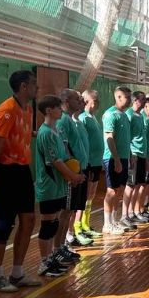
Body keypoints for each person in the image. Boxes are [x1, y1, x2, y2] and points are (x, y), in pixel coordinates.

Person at [0, 70, 40, 291]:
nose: (37, 87)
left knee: (28, 219)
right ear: (23, 86)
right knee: (4, 223)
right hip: (6, 172)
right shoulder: (6, 110)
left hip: (22, 171)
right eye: (34, 84)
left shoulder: (27, 109)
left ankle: (17, 273)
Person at [34, 95, 85, 276]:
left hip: (59, 185)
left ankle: (52, 257)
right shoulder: (46, 133)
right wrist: (73, 176)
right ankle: (44, 263)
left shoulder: (55, 131)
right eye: (57, 107)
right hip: (49, 185)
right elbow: (55, 161)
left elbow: (64, 157)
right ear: (49, 110)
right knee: (48, 225)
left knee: (54, 222)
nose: (61, 110)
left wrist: (74, 173)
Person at [59, 88, 94, 248]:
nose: (81, 102)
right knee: (65, 211)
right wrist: (73, 173)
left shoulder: (73, 121)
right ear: (66, 102)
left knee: (72, 209)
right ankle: (61, 245)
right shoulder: (63, 120)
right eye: (77, 99)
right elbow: (65, 148)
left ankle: (69, 237)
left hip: (81, 169)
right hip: (72, 173)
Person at [102, 86, 133, 234]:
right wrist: (116, 159)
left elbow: (126, 139)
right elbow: (109, 138)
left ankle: (114, 221)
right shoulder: (110, 114)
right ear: (118, 97)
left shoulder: (124, 115)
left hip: (124, 158)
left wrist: (129, 156)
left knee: (120, 190)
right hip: (112, 158)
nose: (130, 100)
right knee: (112, 191)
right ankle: (107, 224)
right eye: (127, 97)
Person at [75, 90, 104, 239]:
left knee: (91, 195)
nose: (97, 102)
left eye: (98, 100)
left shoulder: (93, 118)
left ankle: (86, 224)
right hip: (90, 162)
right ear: (86, 101)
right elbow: (82, 142)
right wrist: (89, 162)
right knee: (84, 195)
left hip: (97, 161)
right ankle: (77, 226)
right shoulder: (83, 118)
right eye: (95, 100)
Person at [123, 91, 149, 226]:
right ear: (135, 100)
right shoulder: (129, 114)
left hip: (142, 155)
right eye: (143, 99)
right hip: (133, 154)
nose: (145, 102)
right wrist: (130, 155)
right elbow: (127, 137)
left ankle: (134, 212)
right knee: (130, 185)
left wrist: (146, 158)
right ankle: (125, 215)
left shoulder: (140, 116)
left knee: (139, 184)